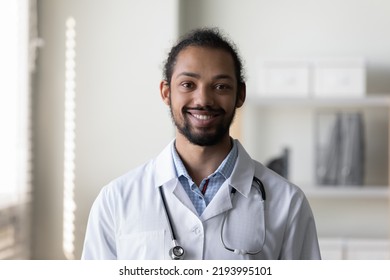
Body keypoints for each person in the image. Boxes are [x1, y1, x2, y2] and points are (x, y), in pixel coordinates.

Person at [81, 27, 321, 260]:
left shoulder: (288, 203)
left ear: (240, 95)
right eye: (188, 85)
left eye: (221, 86)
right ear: (166, 92)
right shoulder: (116, 200)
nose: (204, 99)